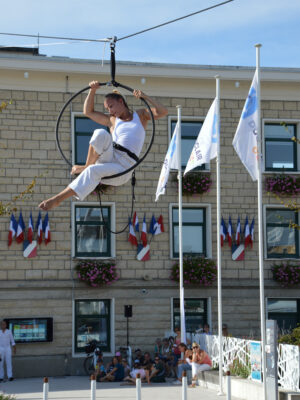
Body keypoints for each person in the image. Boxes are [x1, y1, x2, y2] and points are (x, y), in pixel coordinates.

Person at [39, 83, 168, 211]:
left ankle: (57, 199)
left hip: (124, 167)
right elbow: (88, 112)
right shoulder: (112, 120)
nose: (110, 111)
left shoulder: (140, 115)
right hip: (111, 156)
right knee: (100, 133)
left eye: (111, 106)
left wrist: (145, 98)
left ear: (121, 101)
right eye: (107, 109)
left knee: (93, 171)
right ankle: (86, 167)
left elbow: (163, 111)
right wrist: (92, 90)